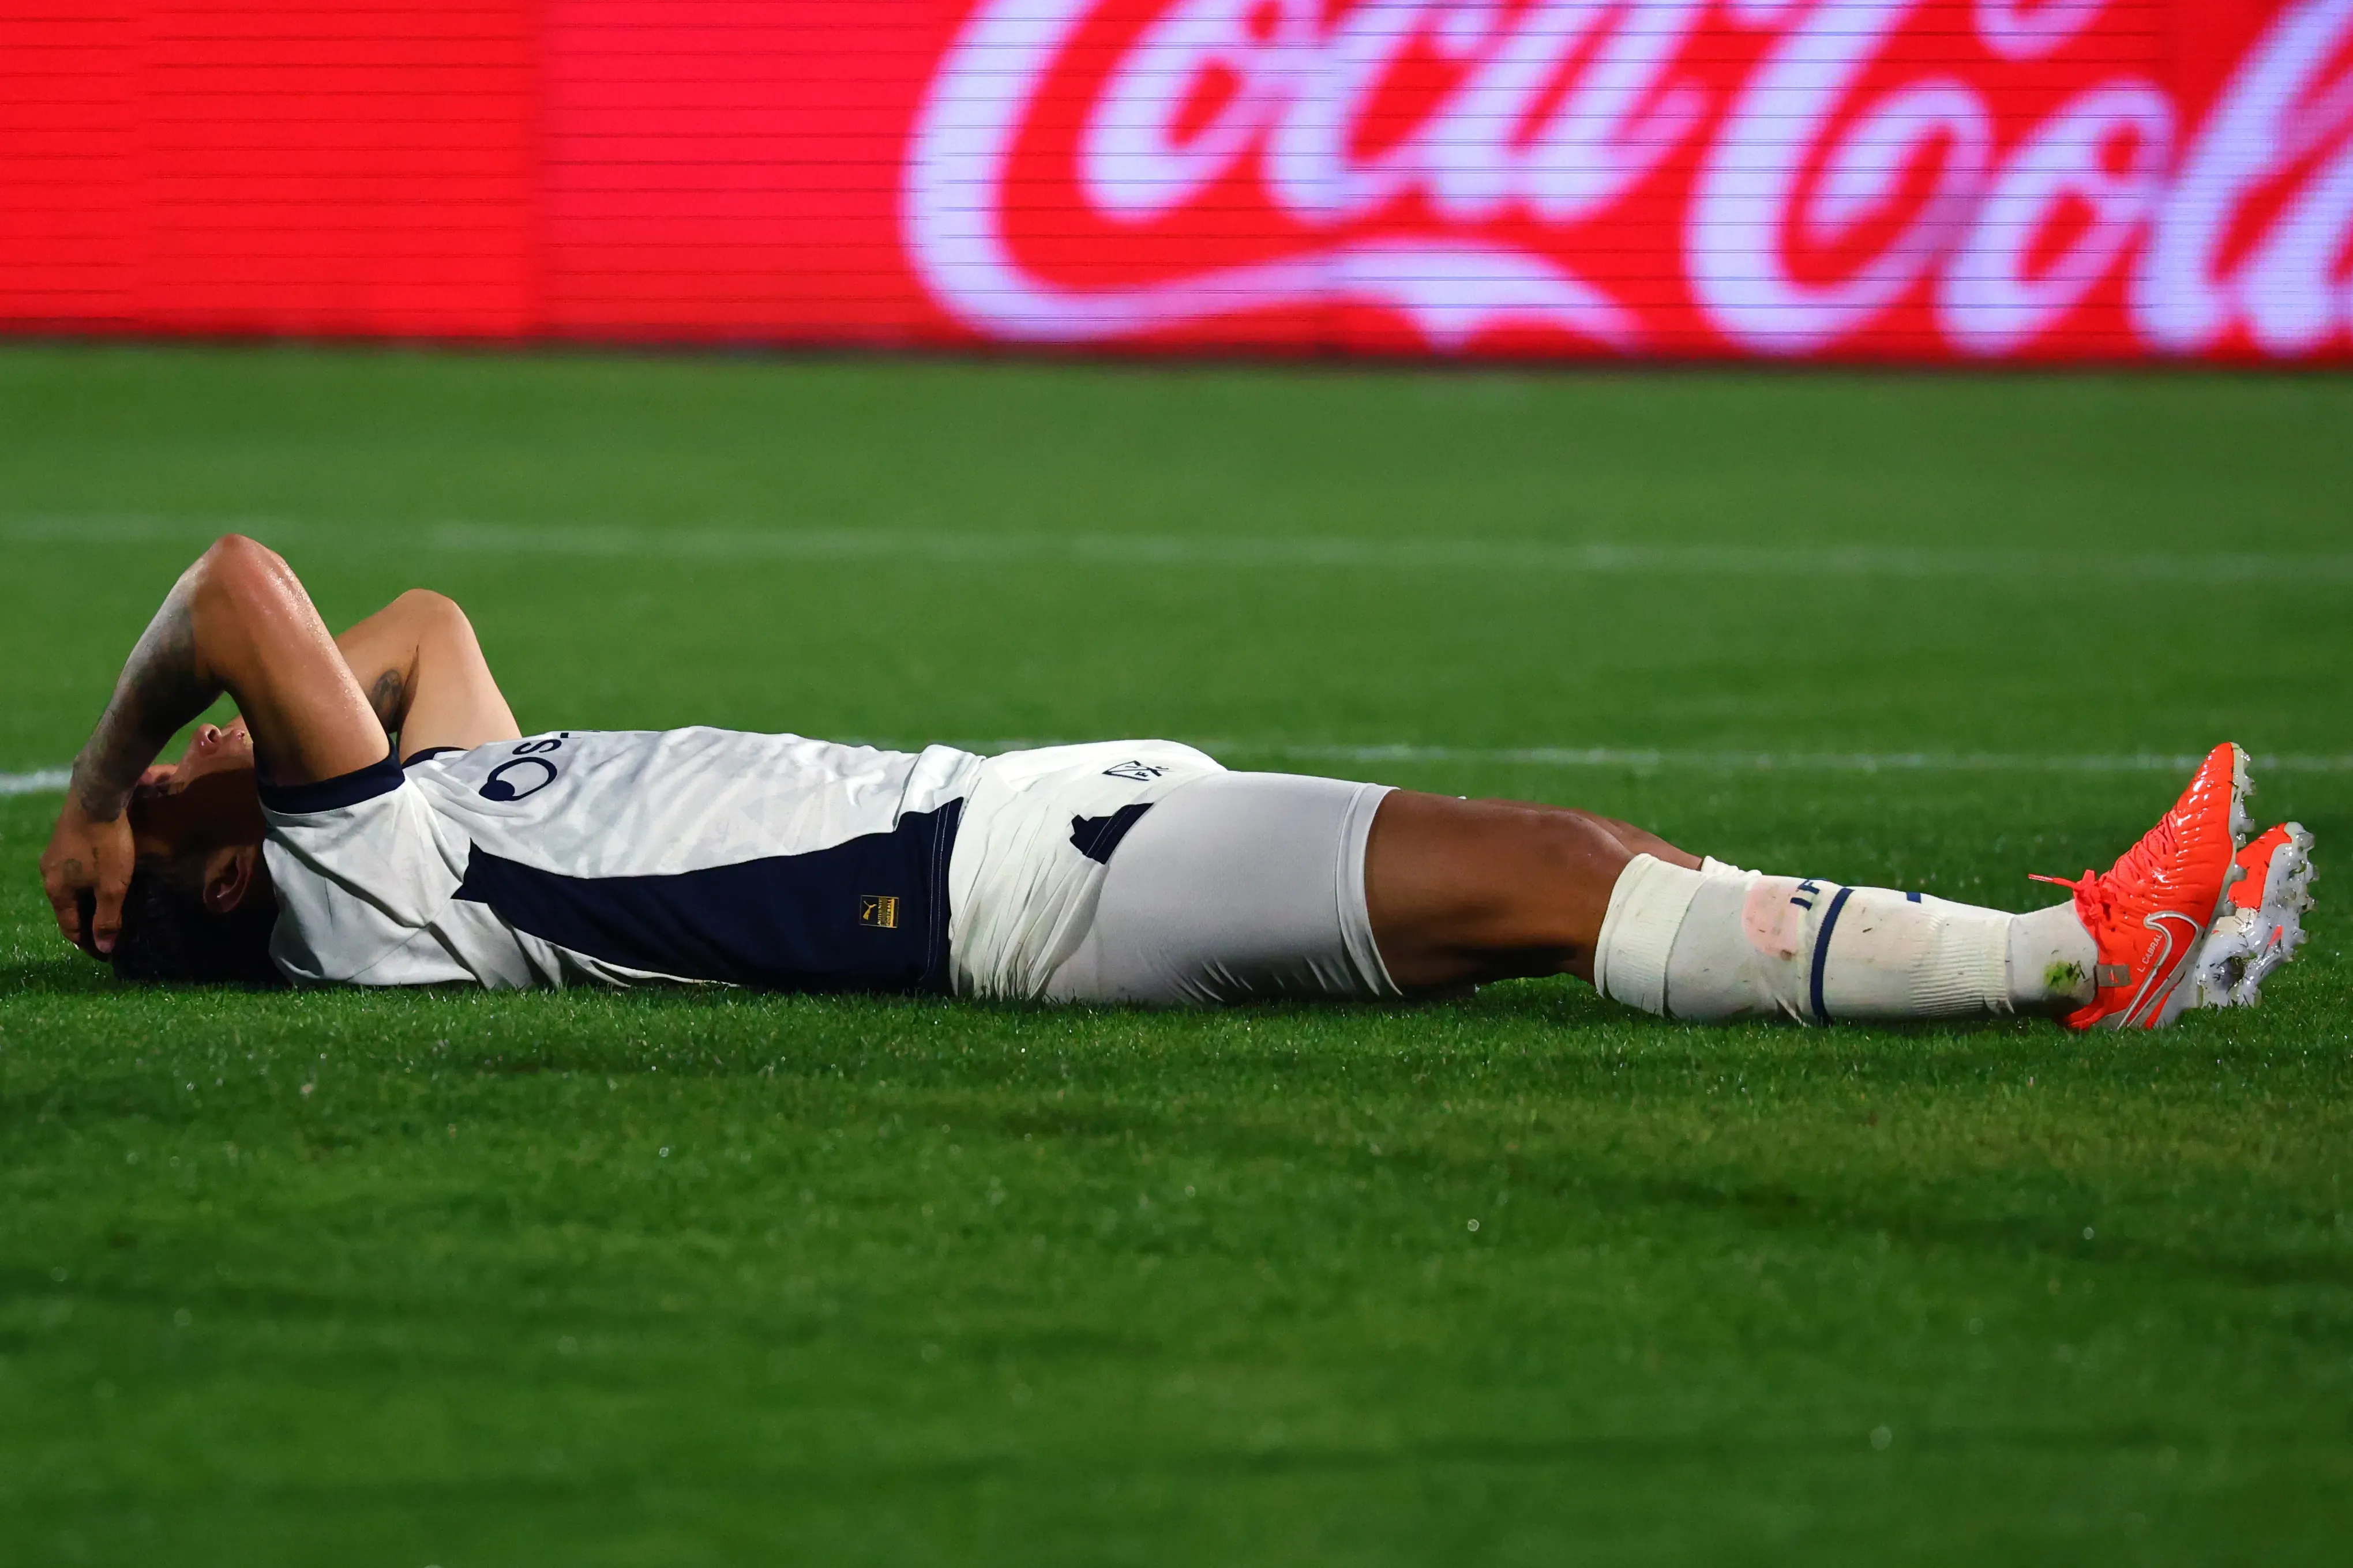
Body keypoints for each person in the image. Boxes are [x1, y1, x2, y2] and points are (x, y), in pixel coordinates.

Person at [39, 536, 2315, 1029]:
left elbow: (413, 625)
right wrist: (111, 789)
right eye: (246, 760)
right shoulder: (360, 883)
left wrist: (183, 798)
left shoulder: (420, 801)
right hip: (1012, 890)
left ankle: (2135, 959)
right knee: (1548, 871)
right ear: (234, 874)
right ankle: (2063, 954)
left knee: (1571, 867)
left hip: (1044, 826)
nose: (274, 718)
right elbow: (244, 588)